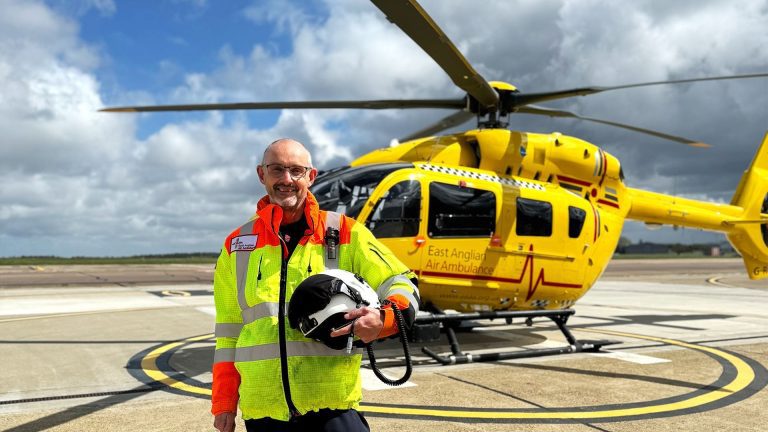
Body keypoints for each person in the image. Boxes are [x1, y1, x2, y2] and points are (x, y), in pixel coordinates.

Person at [212, 138, 420, 432]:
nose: (287, 179)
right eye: (277, 169)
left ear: (311, 176)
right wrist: (224, 403)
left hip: (331, 406)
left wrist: (384, 319)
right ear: (262, 175)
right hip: (264, 411)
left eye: (296, 170)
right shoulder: (237, 245)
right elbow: (228, 336)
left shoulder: (345, 231)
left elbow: (402, 282)